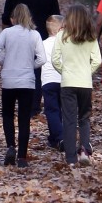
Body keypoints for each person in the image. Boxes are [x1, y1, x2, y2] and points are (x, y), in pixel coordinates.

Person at [0, 3, 45, 168]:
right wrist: (30, 65)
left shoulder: (7, 33)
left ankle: (10, 147)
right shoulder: (34, 35)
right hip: (26, 81)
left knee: (7, 115)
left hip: (9, 80)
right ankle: (22, 156)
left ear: (14, 18)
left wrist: (4, 62)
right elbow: (42, 59)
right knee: (23, 118)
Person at [2, 0, 59, 114]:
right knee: (37, 73)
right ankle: (33, 106)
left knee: (17, 68)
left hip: (17, 37)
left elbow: (6, 17)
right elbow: (56, 19)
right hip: (41, 37)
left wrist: (6, 38)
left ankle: (18, 102)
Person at [51, 4, 102, 167]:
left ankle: (71, 158)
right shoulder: (91, 37)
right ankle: (85, 151)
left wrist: (64, 71)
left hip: (68, 83)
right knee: (84, 118)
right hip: (85, 83)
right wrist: (88, 71)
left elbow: (55, 59)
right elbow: (98, 60)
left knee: (69, 120)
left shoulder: (62, 36)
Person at [40, 15, 64, 150]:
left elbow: (39, 60)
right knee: (62, 110)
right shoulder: (66, 44)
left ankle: (57, 137)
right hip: (64, 79)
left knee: (52, 110)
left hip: (48, 81)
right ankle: (60, 137)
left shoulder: (43, 43)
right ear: (60, 29)